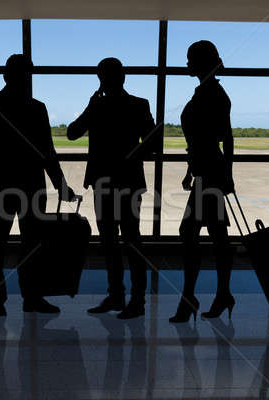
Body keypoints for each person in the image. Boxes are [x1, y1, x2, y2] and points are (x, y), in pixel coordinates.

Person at [0, 54, 76, 317]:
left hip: (0, 185)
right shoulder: (37, 108)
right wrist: (60, 185)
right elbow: (47, 151)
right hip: (31, 185)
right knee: (31, 246)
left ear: (6, 75)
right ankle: (32, 297)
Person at [67, 57, 159, 319]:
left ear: (101, 79)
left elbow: (72, 133)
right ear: (123, 77)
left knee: (111, 241)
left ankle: (119, 295)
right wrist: (131, 157)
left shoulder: (97, 106)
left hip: (103, 182)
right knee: (131, 239)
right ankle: (134, 298)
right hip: (129, 180)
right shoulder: (139, 105)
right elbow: (152, 141)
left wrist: (90, 105)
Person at [169, 40, 235, 323]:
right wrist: (190, 169)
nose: (186, 63)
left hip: (211, 173)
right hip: (206, 172)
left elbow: (225, 138)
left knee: (192, 232)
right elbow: (200, 140)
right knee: (216, 235)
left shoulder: (214, 94)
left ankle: (192, 297)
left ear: (201, 62)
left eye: (189, 58)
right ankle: (219, 294)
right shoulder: (206, 92)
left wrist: (227, 174)